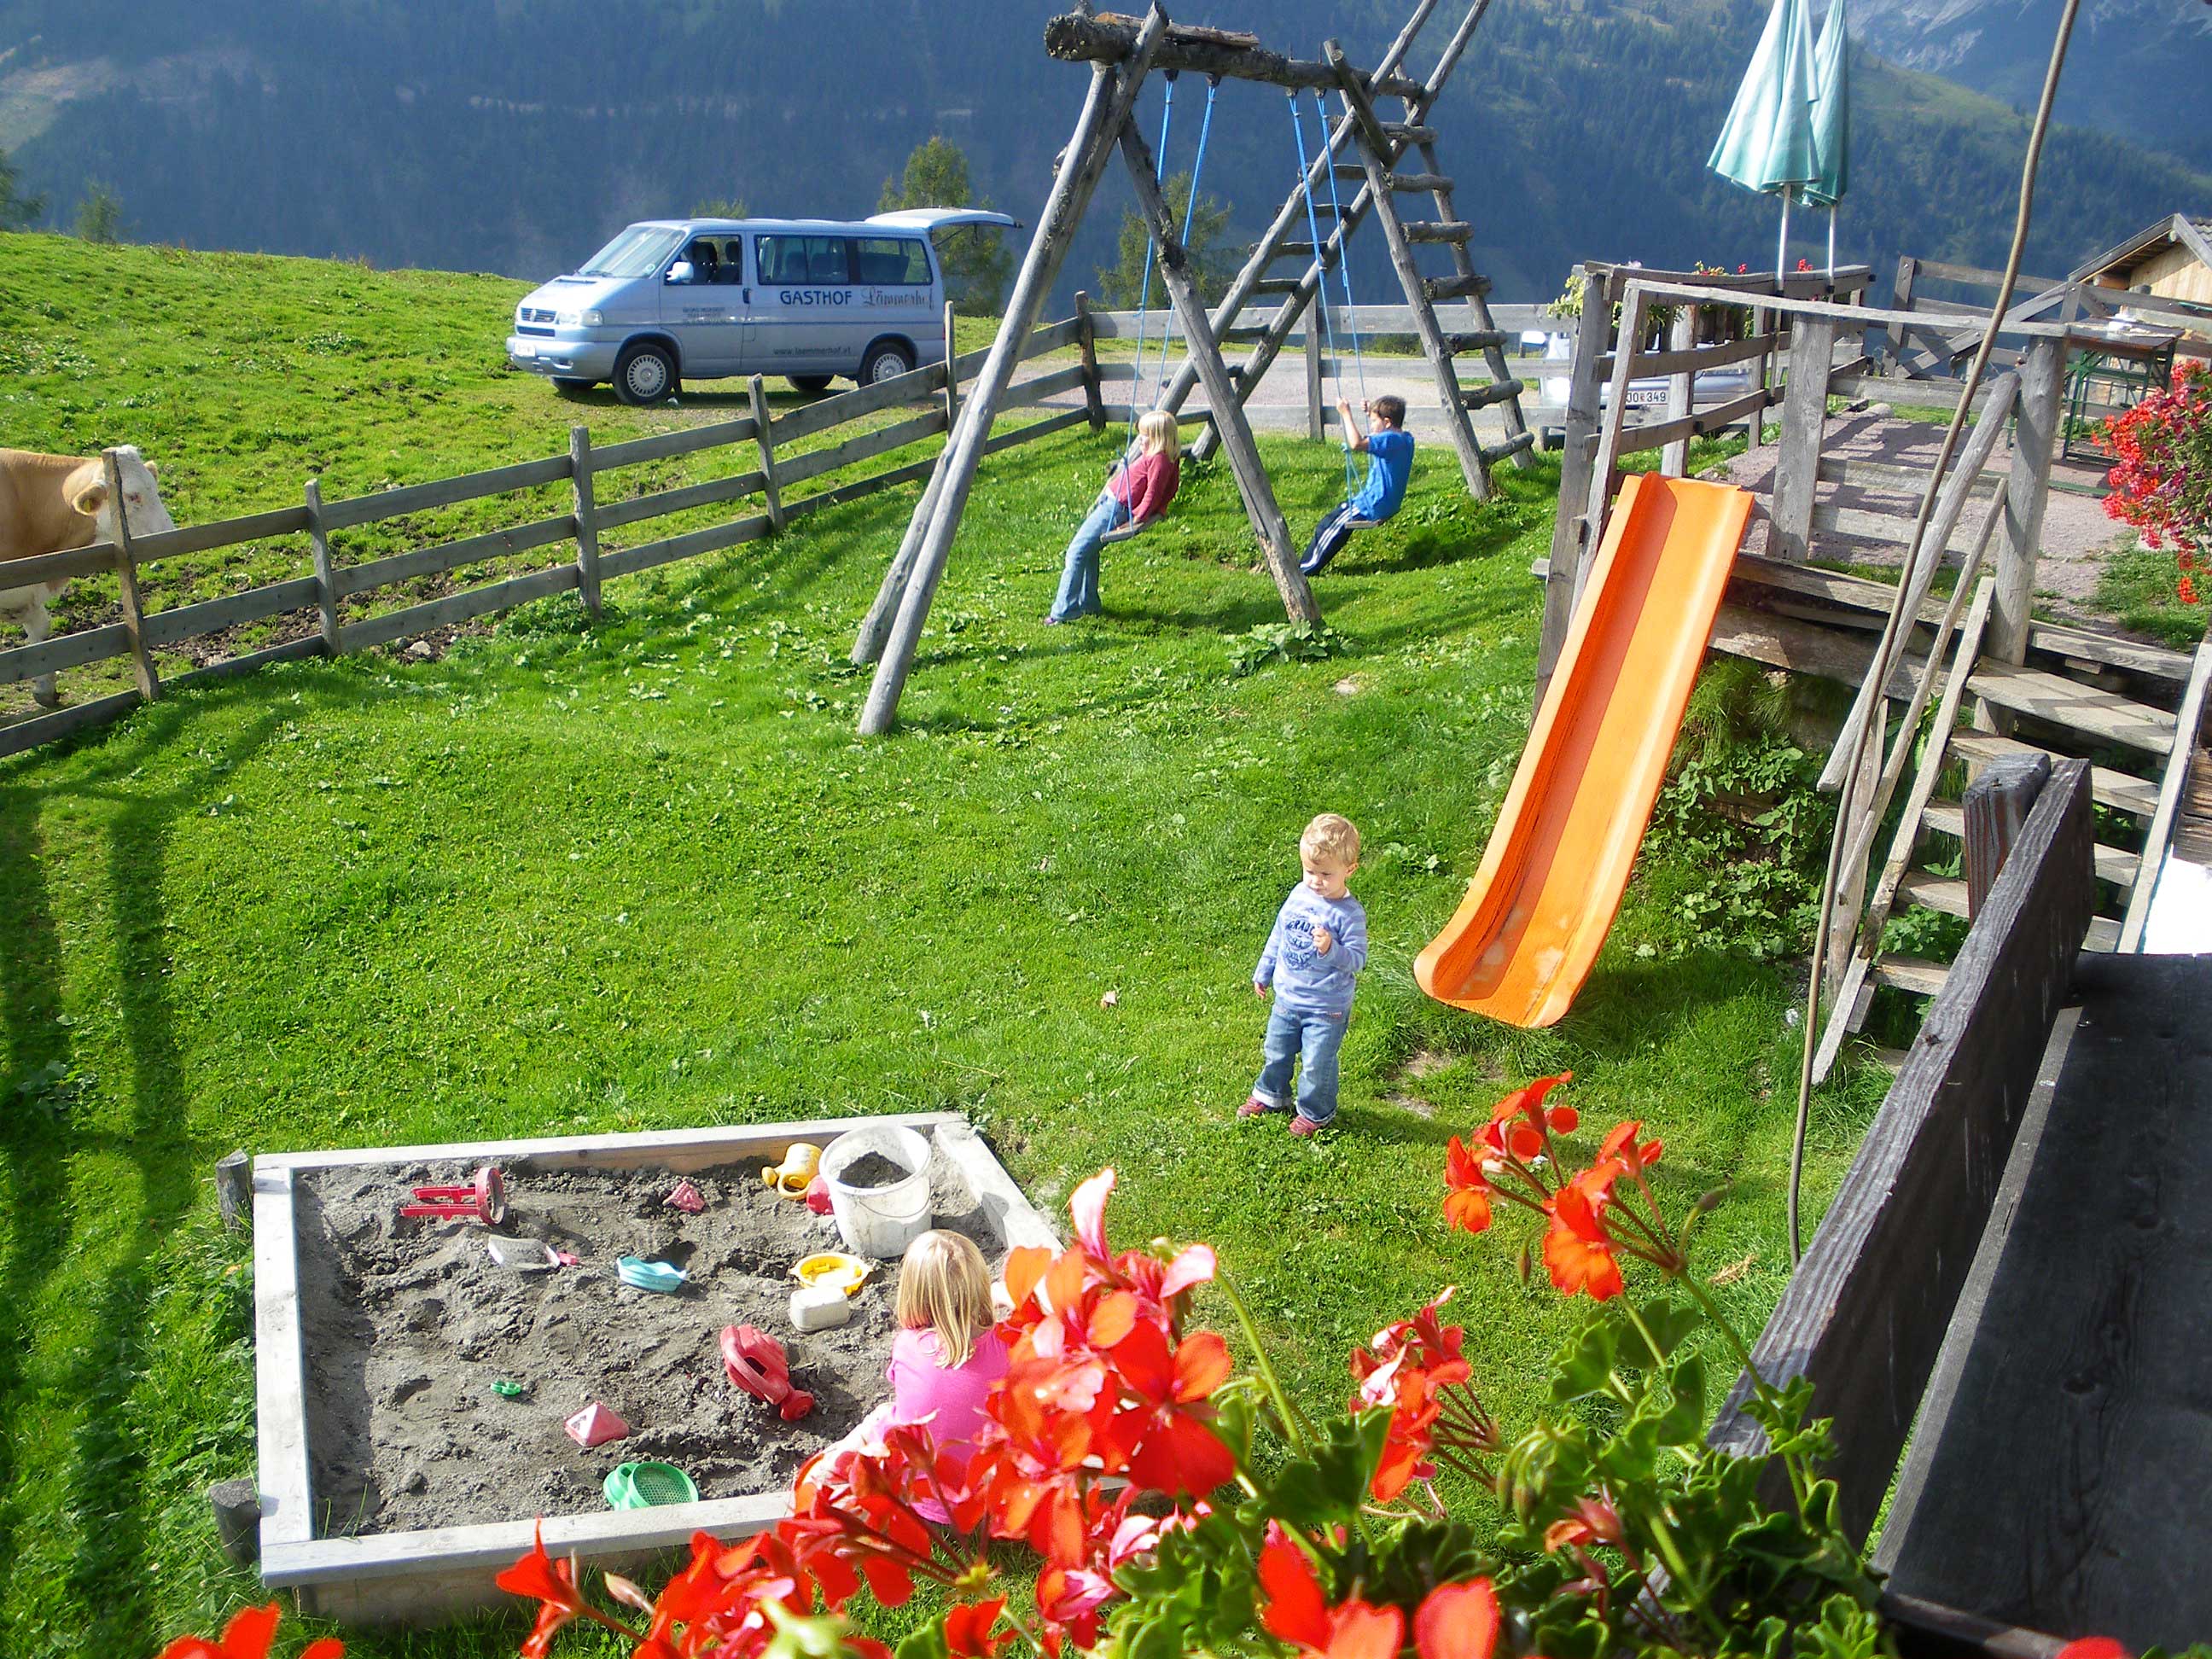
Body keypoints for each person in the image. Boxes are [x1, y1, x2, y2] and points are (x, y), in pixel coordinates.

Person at [809, 1231, 1010, 1498]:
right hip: (984, 1494)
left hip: (911, 1490)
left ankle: (824, 1478)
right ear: (981, 1285)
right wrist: (1001, 1294)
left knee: (882, 1414)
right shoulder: (1008, 1345)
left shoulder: (910, 1344)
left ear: (914, 1292)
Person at [1239, 813, 1368, 1138]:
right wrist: (1264, 970)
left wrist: (1331, 949)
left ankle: (1315, 1112)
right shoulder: (1299, 895)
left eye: (1326, 874)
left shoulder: (1349, 914)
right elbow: (1279, 935)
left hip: (1327, 1008)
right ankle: (1271, 1095)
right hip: (1288, 997)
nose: (1315, 880)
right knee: (1276, 1049)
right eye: (1310, 871)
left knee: (1316, 1064)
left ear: (1349, 870)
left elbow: (1357, 961)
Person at [1047, 409, 1181, 624]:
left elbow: (1155, 492)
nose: (1141, 439)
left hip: (1116, 509)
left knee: (1076, 552)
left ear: (1158, 436)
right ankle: (1089, 603)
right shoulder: (1164, 456)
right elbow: (1169, 489)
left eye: (1145, 435)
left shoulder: (1159, 460)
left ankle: (1064, 611)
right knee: (1089, 552)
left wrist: (1138, 518)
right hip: (1113, 503)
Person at [1301, 394, 1413, 577]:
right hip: (1385, 503)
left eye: (1373, 421)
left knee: (1328, 525)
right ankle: (1310, 566)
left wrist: (1346, 414)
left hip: (1373, 503)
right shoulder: (1405, 439)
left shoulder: (1390, 439)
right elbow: (1380, 432)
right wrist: (1372, 410)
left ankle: (1304, 569)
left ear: (1386, 422)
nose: (1371, 425)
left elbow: (1356, 443)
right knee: (1339, 526)